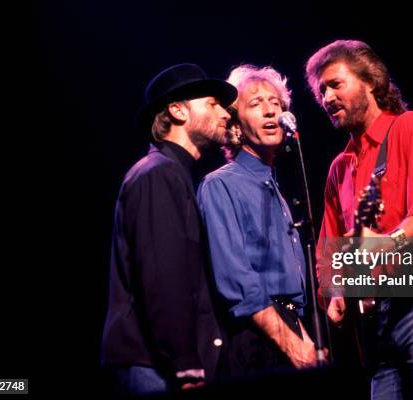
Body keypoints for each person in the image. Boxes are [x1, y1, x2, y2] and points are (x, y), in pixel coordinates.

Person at [305, 40, 413, 399]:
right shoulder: (341, 169)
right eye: (321, 90)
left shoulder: (411, 128)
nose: (326, 97)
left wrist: (389, 242)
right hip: (377, 321)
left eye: (336, 84)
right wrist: (335, 290)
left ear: (371, 82)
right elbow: (329, 249)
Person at [101, 63, 237, 396]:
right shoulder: (158, 174)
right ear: (177, 110)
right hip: (153, 366)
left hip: (158, 363)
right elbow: (163, 276)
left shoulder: (171, 174)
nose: (225, 113)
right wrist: (185, 363)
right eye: (212, 103)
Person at [197, 65, 318, 378]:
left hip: (290, 326)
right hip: (253, 338)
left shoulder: (275, 189)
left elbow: (289, 289)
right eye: (256, 104)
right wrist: (291, 344)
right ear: (235, 124)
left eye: (275, 103)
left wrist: (303, 336)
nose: (270, 111)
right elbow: (236, 280)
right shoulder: (220, 185)